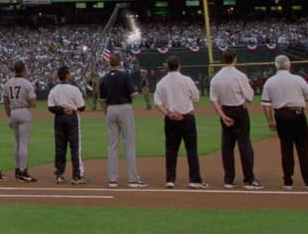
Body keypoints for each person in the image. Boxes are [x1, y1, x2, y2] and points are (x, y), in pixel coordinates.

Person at [260, 55, 308, 191]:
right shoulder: (298, 79)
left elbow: (265, 104)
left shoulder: (270, 81)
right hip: (297, 114)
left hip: (280, 116)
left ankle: (288, 181)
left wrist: (270, 121)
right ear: (289, 65)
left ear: (276, 66)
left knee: (286, 149)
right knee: (303, 150)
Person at [210, 50, 261, 189]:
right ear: (234, 59)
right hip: (239, 111)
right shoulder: (240, 75)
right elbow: (250, 97)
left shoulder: (216, 78)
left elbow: (213, 100)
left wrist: (222, 115)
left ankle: (229, 179)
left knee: (227, 146)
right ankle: (249, 179)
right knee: (245, 145)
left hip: (225, 110)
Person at [154, 56, 206, 189]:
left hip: (170, 118)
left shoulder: (161, 82)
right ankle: (194, 180)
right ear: (179, 66)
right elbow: (196, 98)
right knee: (191, 150)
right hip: (186, 117)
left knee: (171, 150)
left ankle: (170, 179)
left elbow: (157, 103)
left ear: (167, 67)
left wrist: (168, 113)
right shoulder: (187, 80)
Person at [98, 53, 144, 188]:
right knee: (129, 144)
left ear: (109, 63)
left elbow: (102, 101)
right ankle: (132, 179)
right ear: (120, 63)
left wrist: (107, 112)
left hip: (110, 110)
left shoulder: (104, 78)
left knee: (112, 146)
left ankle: (112, 180)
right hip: (124, 108)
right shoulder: (125, 75)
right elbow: (134, 95)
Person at [45, 65, 82, 184]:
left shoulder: (54, 90)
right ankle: (76, 176)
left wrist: (61, 110)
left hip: (59, 118)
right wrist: (72, 108)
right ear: (66, 76)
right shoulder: (74, 89)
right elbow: (82, 107)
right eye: (69, 73)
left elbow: (50, 107)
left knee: (60, 148)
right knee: (74, 147)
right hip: (71, 118)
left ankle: (59, 175)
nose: (71, 75)